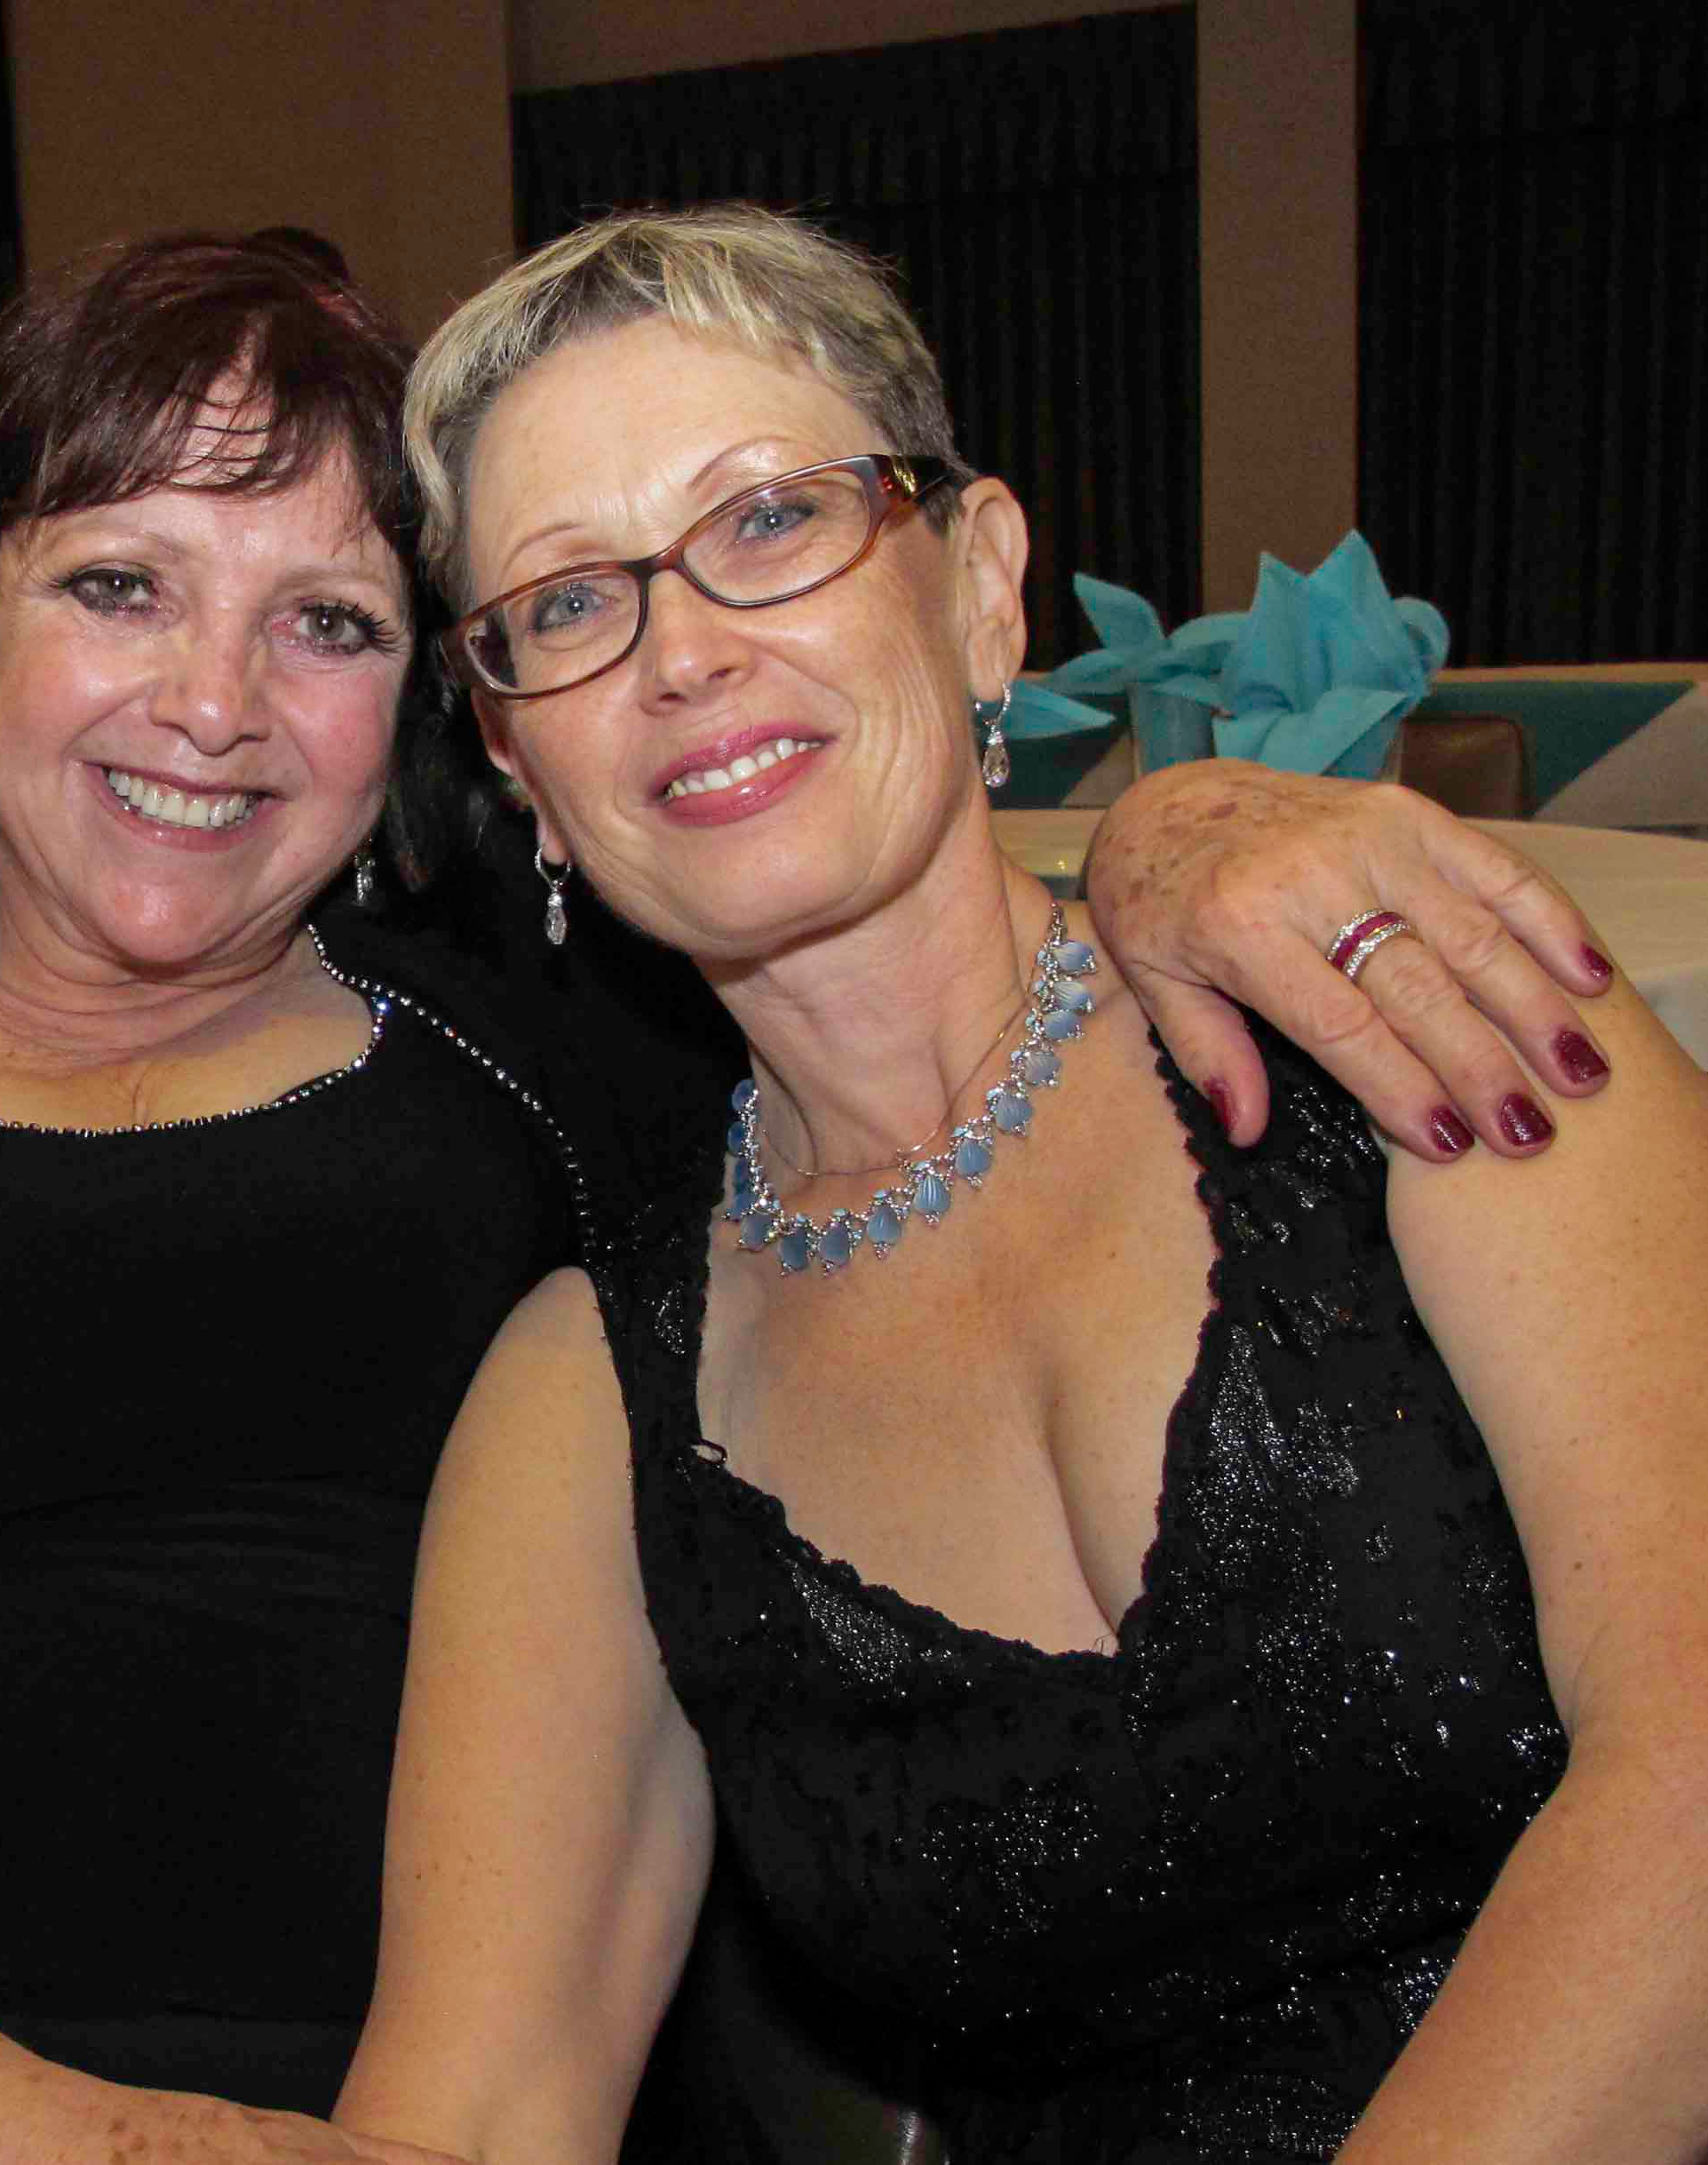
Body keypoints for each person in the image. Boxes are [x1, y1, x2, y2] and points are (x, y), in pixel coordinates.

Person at [0, 231, 1619, 2165]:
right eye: (120, 584)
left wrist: (1183, 828)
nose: (212, 703)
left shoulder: (553, 1064)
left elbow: (858, 915)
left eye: (329, 622)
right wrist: (14, 2133)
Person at [338, 206, 1708, 2163]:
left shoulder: (1396, 1007)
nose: (682, 653)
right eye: (563, 605)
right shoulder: (587, 1410)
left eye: (767, 519)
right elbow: (469, 2110)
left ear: (979, 586)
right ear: (513, 762)